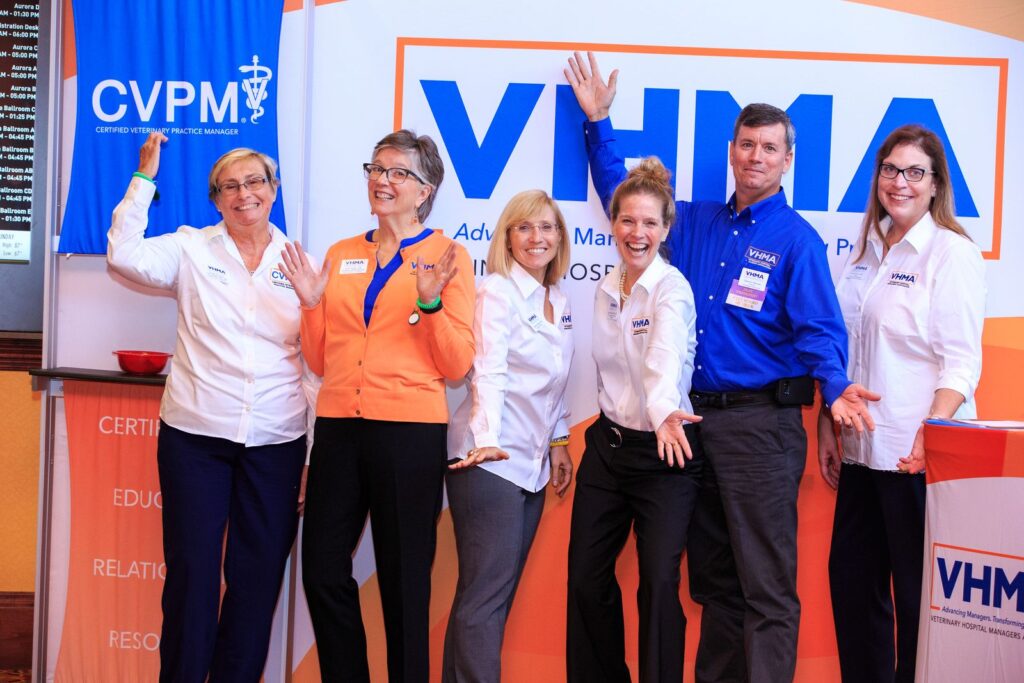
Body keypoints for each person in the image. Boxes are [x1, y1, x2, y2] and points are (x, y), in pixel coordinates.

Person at [565, 51, 879, 682]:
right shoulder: (698, 221)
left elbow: (820, 329)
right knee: (712, 583)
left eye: (768, 148)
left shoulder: (796, 239)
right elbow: (627, 203)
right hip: (692, 427)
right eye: (745, 145)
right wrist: (599, 123)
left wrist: (837, 387)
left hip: (761, 431)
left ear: (787, 159)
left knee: (765, 588)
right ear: (731, 151)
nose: (754, 157)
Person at [106, 132, 318, 682]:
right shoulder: (190, 248)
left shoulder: (301, 262)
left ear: (274, 189)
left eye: (254, 182)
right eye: (229, 187)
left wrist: (311, 454)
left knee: (257, 580)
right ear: (216, 199)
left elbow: (316, 364)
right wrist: (144, 180)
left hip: (276, 441)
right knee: (193, 576)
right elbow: (124, 254)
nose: (243, 194)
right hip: (195, 438)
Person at [280, 129, 475, 682]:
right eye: (376, 168)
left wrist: (431, 302)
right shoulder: (342, 254)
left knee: (405, 584)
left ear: (425, 190)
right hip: (340, 429)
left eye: (398, 172)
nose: (382, 180)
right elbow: (318, 359)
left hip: (408, 435)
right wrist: (313, 305)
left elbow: (457, 366)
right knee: (320, 571)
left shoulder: (447, 256)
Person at [817, 124, 985, 683]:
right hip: (863, 452)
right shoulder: (866, 249)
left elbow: (961, 361)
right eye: (891, 169)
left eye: (915, 172)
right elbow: (844, 349)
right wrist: (828, 424)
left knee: (920, 608)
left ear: (936, 185)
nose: (900, 182)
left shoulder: (951, 253)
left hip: (918, 461)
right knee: (853, 594)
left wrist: (929, 431)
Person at [566, 158, 702, 683]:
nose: (637, 233)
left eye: (649, 223)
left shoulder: (673, 289)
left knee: (658, 583)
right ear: (613, 224)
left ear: (666, 229)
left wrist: (664, 411)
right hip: (608, 448)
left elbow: (663, 357)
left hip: (667, 451)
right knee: (584, 579)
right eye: (627, 221)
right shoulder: (605, 287)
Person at [442, 190, 575, 682]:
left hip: (532, 467)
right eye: (524, 228)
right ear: (508, 238)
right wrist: (487, 441)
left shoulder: (556, 299)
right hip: (489, 463)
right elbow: (489, 374)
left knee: (484, 599)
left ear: (560, 237)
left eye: (546, 227)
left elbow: (556, 382)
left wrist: (558, 442)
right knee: (484, 600)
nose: (536, 238)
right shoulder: (496, 292)